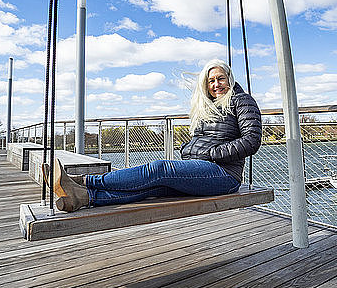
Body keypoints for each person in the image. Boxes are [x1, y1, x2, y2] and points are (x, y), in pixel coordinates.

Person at [46, 58, 262, 212]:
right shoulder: (207, 106)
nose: (216, 85)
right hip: (202, 169)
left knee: (159, 169)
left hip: (224, 175)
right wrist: (187, 149)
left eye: (221, 79)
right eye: (211, 80)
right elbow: (199, 140)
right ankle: (84, 197)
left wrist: (213, 153)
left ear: (229, 79)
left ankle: (83, 181)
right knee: (154, 186)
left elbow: (251, 141)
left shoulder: (241, 101)